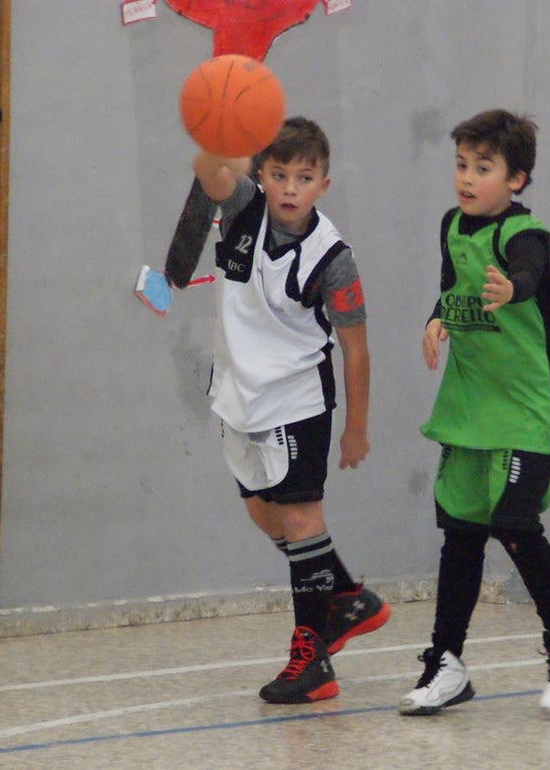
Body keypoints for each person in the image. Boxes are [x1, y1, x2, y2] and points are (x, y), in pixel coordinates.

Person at [169, 117, 389, 704]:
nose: (291, 188)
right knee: (264, 516)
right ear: (262, 176)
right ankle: (347, 597)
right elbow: (204, 168)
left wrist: (356, 429)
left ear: (325, 183)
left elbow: (357, 348)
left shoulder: (333, 258)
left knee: (298, 520)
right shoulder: (244, 208)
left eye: (305, 177)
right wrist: (227, 123)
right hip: (238, 393)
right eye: (280, 174)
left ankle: (312, 657)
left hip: (297, 397)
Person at [399, 109, 550, 716]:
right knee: (460, 534)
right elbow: (450, 285)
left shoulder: (530, 237)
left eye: (482, 168)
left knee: (514, 522)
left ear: (516, 179)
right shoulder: (452, 226)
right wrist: (435, 320)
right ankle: (447, 663)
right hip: (469, 407)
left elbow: (532, 276)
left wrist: (513, 288)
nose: (466, 177)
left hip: (528, 408)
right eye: (461, 164)